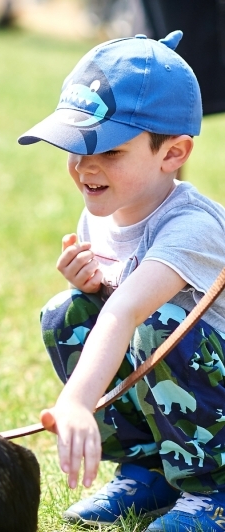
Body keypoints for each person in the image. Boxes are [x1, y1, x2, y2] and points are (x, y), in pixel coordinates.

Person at [19, 31, 225, 530]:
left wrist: (75, 402)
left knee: (162, 322)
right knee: (65, 314)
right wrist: (89, 288)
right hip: (175, 387)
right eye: (76, 146)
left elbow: (129, 312)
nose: (86, 166)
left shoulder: (191, 226)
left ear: (173, 153)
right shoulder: (106, 209)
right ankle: (150, 470)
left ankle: (212, 491)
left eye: (110, 151)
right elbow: (109, 310)